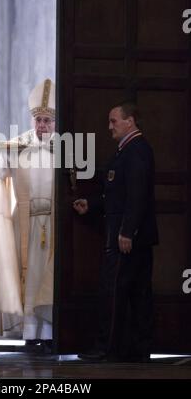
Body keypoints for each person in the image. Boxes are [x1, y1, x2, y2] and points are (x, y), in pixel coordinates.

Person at [73, 101, 159, 362]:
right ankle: (137, 348)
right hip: (135, 236)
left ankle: (106, 348)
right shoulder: (128, 151)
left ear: (130, 121)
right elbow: (117, 193)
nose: (109, 126)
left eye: (114, 121)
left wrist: (126, 232)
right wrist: (93, 204)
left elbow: (137, 196)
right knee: (137, 292)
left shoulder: (136, 151)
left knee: (115, 291)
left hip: (127, 237)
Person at [0, 78, 55, 349]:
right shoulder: (17, 146)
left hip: (52, 221)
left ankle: (49, 334)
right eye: (38, 120)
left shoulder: (65, 147)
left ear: (55, 122)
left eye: (47, 121)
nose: (42, 126)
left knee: (46, 279)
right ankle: (30, 335)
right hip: (24, 221)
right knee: (28, 278)